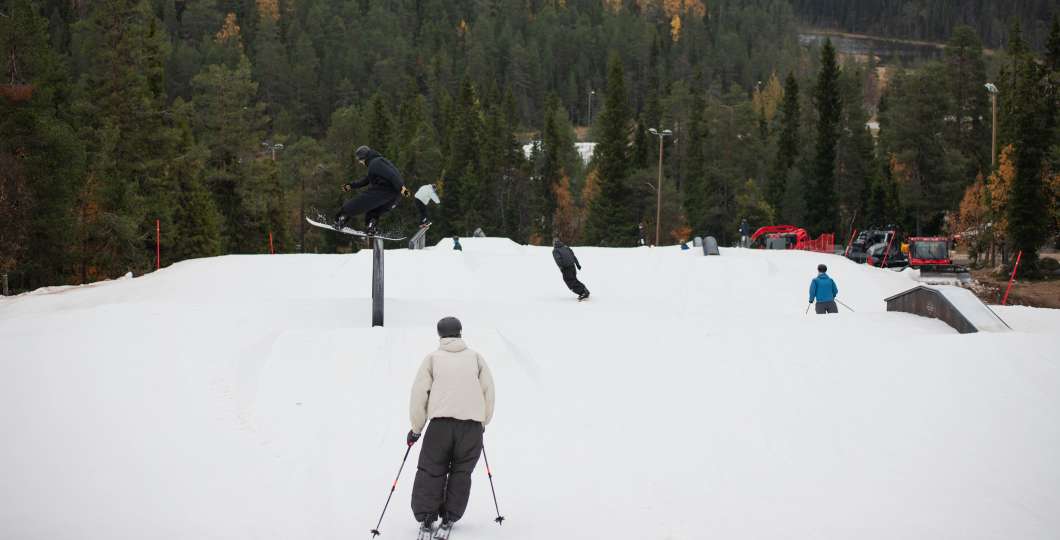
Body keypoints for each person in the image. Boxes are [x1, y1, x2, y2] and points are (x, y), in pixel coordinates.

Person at [407, 317, 496, 537]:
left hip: (440, 427)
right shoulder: (476, 358)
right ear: (460, 333)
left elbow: (419, 395)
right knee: (461, 473)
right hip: (471, 428)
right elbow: (489, 392)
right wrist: (482, 422)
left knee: (431, 470)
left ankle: (426, 517)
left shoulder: (433, 359)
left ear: (440, 334)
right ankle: (450, 517)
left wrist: (416, 428)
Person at [334, 145, 409, 234]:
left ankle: (341, 218)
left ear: (363, 157)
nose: (360, 162)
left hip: (385, 190)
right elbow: (366, 181)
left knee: (359, 202)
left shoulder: (376, 162)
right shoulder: (377, 163)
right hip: (395, 196)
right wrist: (350, 186)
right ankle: (371, 227)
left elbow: (392, 175)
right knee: (374, 211)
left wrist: (402, 188)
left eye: (360, 160)